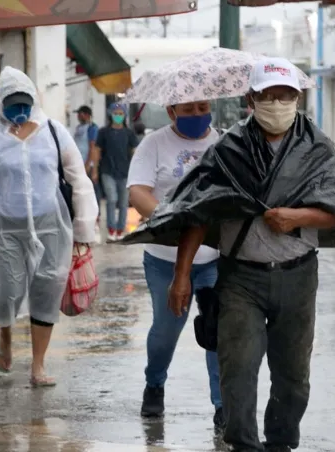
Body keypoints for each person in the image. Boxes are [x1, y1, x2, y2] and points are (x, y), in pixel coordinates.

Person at [169, 58, 335, 452]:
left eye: (286, 96)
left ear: (297, 99)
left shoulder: (317, 148)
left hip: (298, 275)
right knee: (238, 369)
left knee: (293, 374)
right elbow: (200, 211)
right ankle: (243, 444)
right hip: (241, 278)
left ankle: (281, 443)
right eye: (270, 96)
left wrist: (298, 217)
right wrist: (182, 275)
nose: (278, 103)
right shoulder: (227, 150)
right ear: (252, 98)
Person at [0, 66, 98, 386]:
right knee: (8, 290)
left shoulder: (54, 132)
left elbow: (79, 179)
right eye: (12, 103)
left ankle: (38, 366)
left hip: (51, 224)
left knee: (47, 289)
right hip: (1, 227)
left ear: (33, 100)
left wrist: (85, 228)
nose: (19, 110)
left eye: (24, 102)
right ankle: (4, 333)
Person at [127, 100, 224, 427]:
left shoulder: (223, 144)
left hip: (213, 259)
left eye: (202, 108)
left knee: (217, 329)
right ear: (171, 112)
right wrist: (168, 217)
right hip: (164, 258)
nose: (197, 115)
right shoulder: (153, 144)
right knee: (166, 332)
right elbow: (137, 192)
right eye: (188, 110)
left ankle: (223, 406)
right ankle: (154, 383)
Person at [91, 103, 138, 241]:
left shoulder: (129, 133)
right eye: (115, 113)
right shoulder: (103, 132)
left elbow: (136, 152)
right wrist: (94, 170)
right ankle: (111, 228)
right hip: (107, 171)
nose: (118, 116)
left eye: (120, 113)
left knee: (123, 203)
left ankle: (120, 229)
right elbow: (97, 151)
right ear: (110, 114)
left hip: (125, 173)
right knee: (112, 199)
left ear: (124, 115)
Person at [74, 105, 102, 243]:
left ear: (86, 115)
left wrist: (89, 166)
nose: (78, 116)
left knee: (92, 195)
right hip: (78, 166)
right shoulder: (78, 129)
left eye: (80, 114)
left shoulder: (92, 128)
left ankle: (95, 221)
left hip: (88, 167)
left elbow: (93, 148)